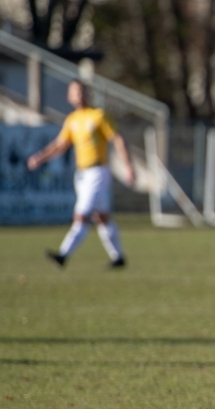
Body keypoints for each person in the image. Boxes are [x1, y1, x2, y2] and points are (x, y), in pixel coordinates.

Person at [27, 80, 134, 268]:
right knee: (102, 217)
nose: (80, 95)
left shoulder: (99, 116)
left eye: (82, 91)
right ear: (69, 96)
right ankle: (118, 258)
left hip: (98, 171)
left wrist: (128, 166)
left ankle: (63, 255)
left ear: (88, 94)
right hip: (82, 174)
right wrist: (40, 157)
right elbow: (60, 145)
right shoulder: (72, 120)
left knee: (81, 215)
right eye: (75, 92)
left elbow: (117, 140)